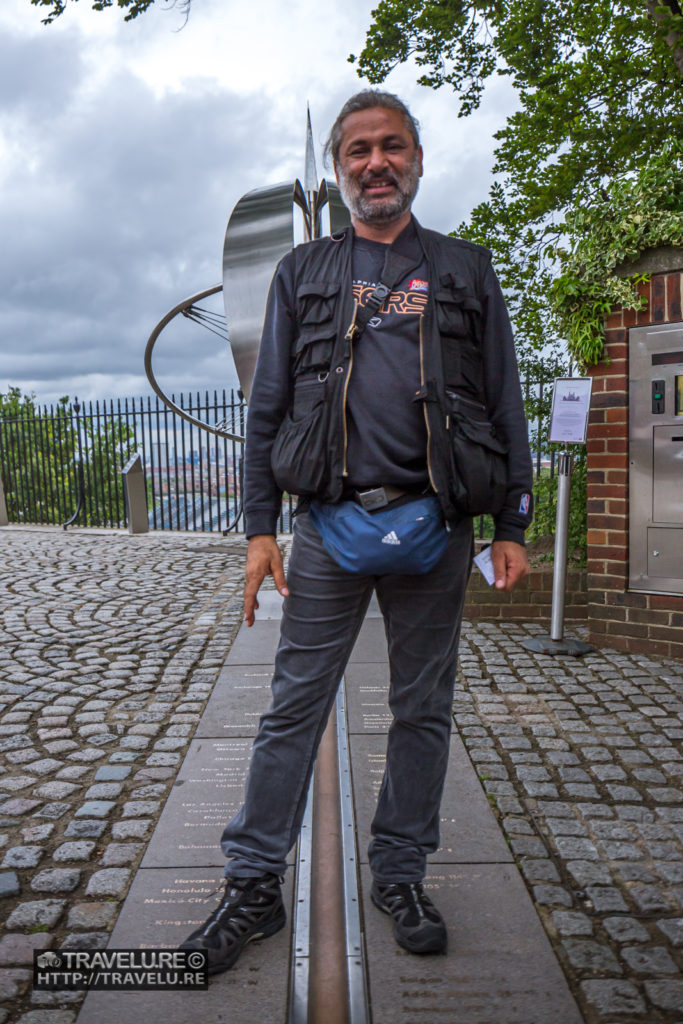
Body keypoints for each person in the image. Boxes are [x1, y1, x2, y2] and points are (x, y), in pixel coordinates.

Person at [180, 89, 532, 974]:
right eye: (358, 152)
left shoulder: (464, 268)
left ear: (417, 157)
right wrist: (260, 530)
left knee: (421, 711)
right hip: (329, 528)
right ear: (338, 170)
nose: (375, 163)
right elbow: (268, 408)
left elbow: (502, 399)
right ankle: (253, 886)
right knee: (291, 709)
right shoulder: (302, 272)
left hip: (437, 526)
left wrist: (511, 521)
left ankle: (400, 873)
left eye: (392, 146)